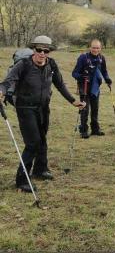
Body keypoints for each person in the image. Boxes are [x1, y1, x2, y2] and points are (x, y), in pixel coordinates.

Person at [0, 35, 85, 192]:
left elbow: (60, 84)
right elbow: (8, 81)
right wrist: (2, 91)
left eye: (46, 51)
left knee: (42, 139)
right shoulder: (23, 64)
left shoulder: (51, 64)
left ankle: (40, 169)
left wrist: (73, 101)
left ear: (49, 52)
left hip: (43, 107)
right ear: (34, 50)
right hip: (25, 108)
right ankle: (22, 179)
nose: (42, 53)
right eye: (39, 50)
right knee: (32, 143)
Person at [72, 39, 112, 138]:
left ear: (100, 48)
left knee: (95, 109)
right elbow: (74, 73)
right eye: (93, 47)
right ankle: (84, 130)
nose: (95, 50)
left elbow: (104, 71)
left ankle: (95, 129)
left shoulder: (101, 58)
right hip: (84, 86)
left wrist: (107, 79)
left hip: (95, 87)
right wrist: (82, 77)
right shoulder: (83, 57)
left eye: (97, 48)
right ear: (90, 47)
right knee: (85, 109)